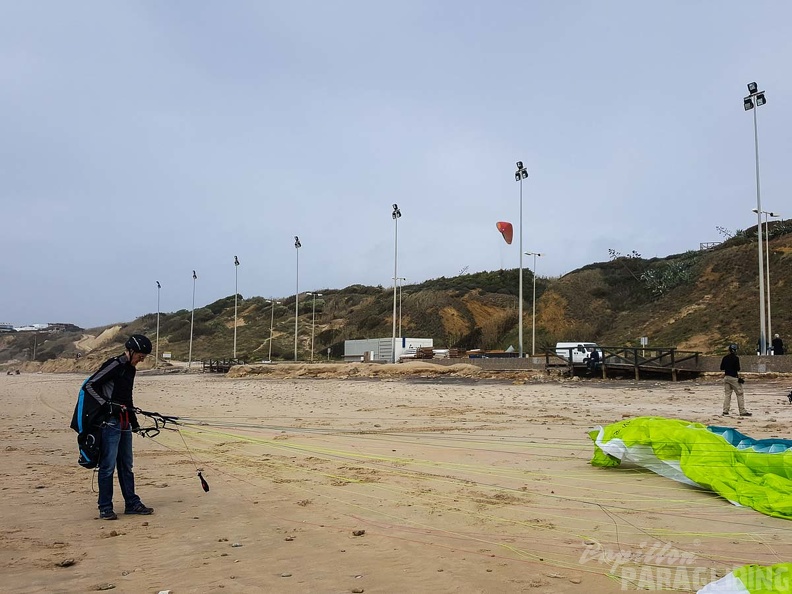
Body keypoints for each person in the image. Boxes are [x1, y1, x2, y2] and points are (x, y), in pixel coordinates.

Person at [82, 334, 154, 520]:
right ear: (130, 351)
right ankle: (105, 506)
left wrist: (135, 423)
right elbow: (90, 386)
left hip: (124, 422)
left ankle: (132, 503)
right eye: (140, 355)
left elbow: (127, 398)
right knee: (107, 466)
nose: (141, 359)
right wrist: (107, 404)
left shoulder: (131, 370)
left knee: (126, 465)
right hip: (109, 423)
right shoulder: (115, 364)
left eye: (144, 357)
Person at [720, 344, 751, 417]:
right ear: (735, 350)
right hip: (733, 377)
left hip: (726, 377)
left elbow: (721, 367)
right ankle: (742, 411)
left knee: (727, 395)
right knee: (739, 394)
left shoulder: (725, 357)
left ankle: (725, 411)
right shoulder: (736, 358)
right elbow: (738, 368)